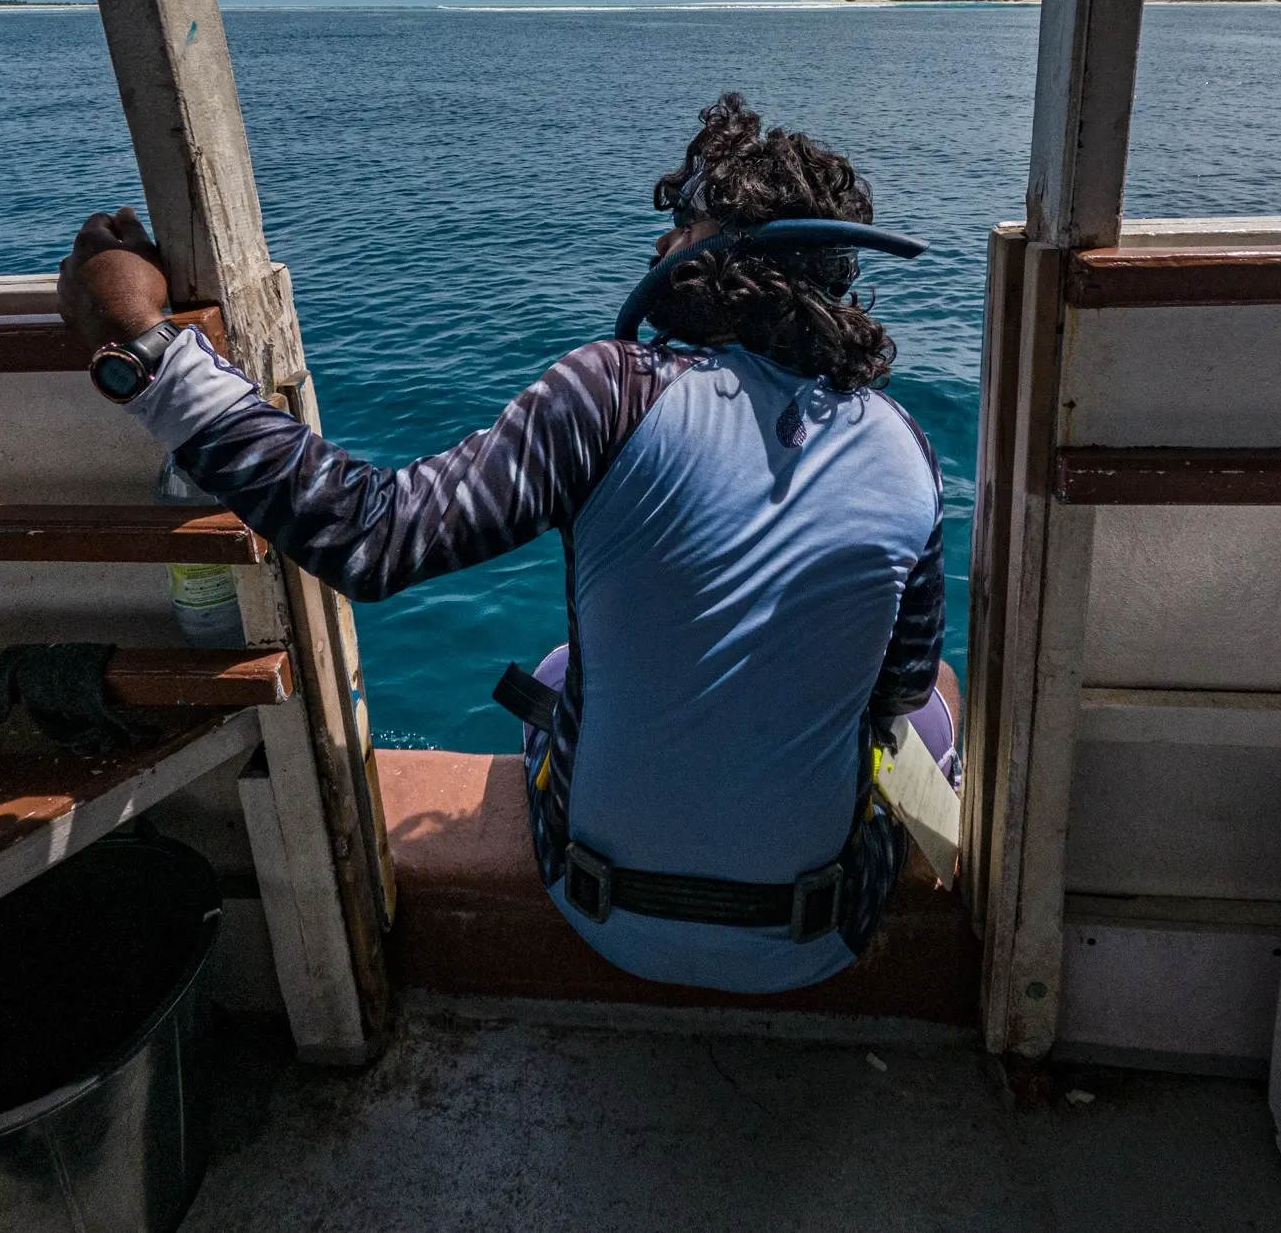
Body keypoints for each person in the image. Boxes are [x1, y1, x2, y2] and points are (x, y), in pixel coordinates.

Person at [59, 92, 954, 994]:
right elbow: (898, 691)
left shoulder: (612, 393)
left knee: (562, 670)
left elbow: (372, 535)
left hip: (605, 914)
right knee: (933, 700)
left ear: (725, 256)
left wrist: (148, 349)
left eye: (683, 225)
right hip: (815, 937)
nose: (659, 247)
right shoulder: (906, 450)